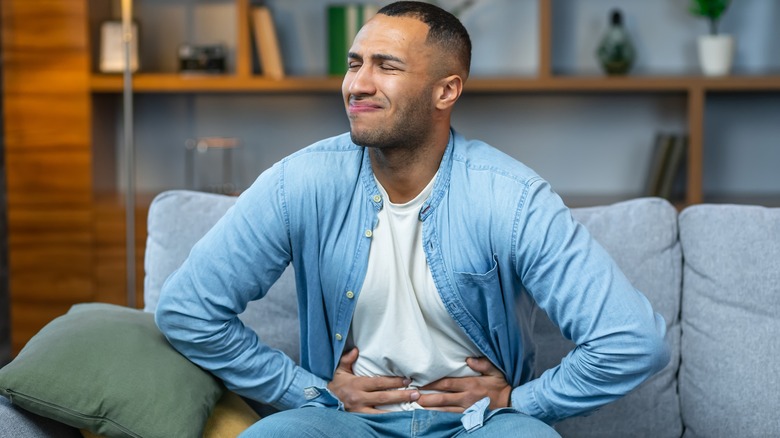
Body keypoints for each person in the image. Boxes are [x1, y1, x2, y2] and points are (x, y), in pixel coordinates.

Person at [155, 2, 670, 437]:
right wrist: (304, 391)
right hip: (345, 419)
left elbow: (632, 341)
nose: (357, 83)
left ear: (446, 91)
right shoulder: (300, 182)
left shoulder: (511, 198)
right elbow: (187, 310)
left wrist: (522, 400)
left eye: (387, 66)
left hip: (481, 424)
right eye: (355, 63)